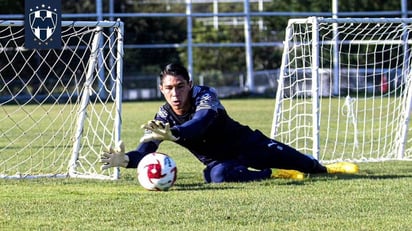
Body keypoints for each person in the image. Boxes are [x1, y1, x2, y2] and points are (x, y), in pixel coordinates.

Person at [100, 63, 359, 183]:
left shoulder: (206, 96)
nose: (175, 93)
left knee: (305, 164)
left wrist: (175, 134)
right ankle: (273, 174)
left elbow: (201, 123)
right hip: (219, 162)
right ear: (161, 90)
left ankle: (327, 168)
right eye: (169, 88)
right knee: (218, 177)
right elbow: (146, 152)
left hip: (247, 143)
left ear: (190, 85)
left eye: (180, 86)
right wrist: (126, 160)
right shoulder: (163, 117)